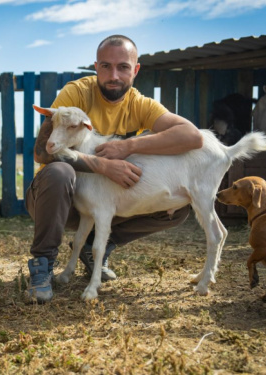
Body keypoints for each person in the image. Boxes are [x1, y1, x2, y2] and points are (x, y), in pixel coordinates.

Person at [25, 35, 203, 303]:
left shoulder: (140, 105)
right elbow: (42, 153)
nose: (114, 75)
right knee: (59, 172)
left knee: (176, 208)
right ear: (96, 67)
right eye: (106, 66)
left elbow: (193, 137)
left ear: (136, 70)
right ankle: (42, 265)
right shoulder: (76, 94)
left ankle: (95, 247)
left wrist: (128, 146)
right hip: (59, 201)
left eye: (123, 67)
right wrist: (103, 165)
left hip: (106, 204)